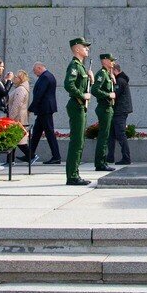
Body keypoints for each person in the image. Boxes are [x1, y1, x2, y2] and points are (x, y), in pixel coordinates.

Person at [62, 37, 93, 186]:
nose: (87, 48)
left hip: (80, 106)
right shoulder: (74, 65)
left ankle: (75, 173)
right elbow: (69, 85)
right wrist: (82, 95)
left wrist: (90, 80)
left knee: (80, 140)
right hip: (76, 105)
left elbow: (80, 84)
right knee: (76, 141)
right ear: (76, 48)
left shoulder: (80, 66)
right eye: (84, 46)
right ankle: (72, 176)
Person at [29, 62, 62, 165]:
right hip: (44, 109)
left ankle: (56, 156)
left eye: (35, 71)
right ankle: (29, 154)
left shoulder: (45, 77)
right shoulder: (49, 76)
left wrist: (30, 108)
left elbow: (40, 94)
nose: (35, 73)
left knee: (49, 133)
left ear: (39, 67)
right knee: (36, 133)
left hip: (45, 109)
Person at [91, 53, 116, 172]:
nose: (112, 62)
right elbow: (95, 90)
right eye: (111, 60)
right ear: (104, 60)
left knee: (105, 136)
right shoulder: (101, 73)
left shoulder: (107, 74)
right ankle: (100, 163)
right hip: (104, 107)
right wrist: (108, 95)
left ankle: (102, 161)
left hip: (108, 107)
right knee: (103, 136)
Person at [106, 61, 133, 165]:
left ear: (115, 70)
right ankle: (110, 157)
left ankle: (126, 158)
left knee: (120, 134)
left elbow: (114, 94)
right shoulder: (119, 80)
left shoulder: (120, 81)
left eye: (110, 71)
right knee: (111, 135)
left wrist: (112, 81)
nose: (108, 73)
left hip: (120, 111)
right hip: (117, 111)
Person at [7, 70, 34, 164]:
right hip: (18, 118)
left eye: (16, 77)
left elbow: (17, 105)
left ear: (20, 78)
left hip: (17, 118)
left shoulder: (21, 89)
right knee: (13, 140)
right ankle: (10, 160)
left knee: (18, 141)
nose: (14, 79)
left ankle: (31, 156)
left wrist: (10, 118)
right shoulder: (21, 88)